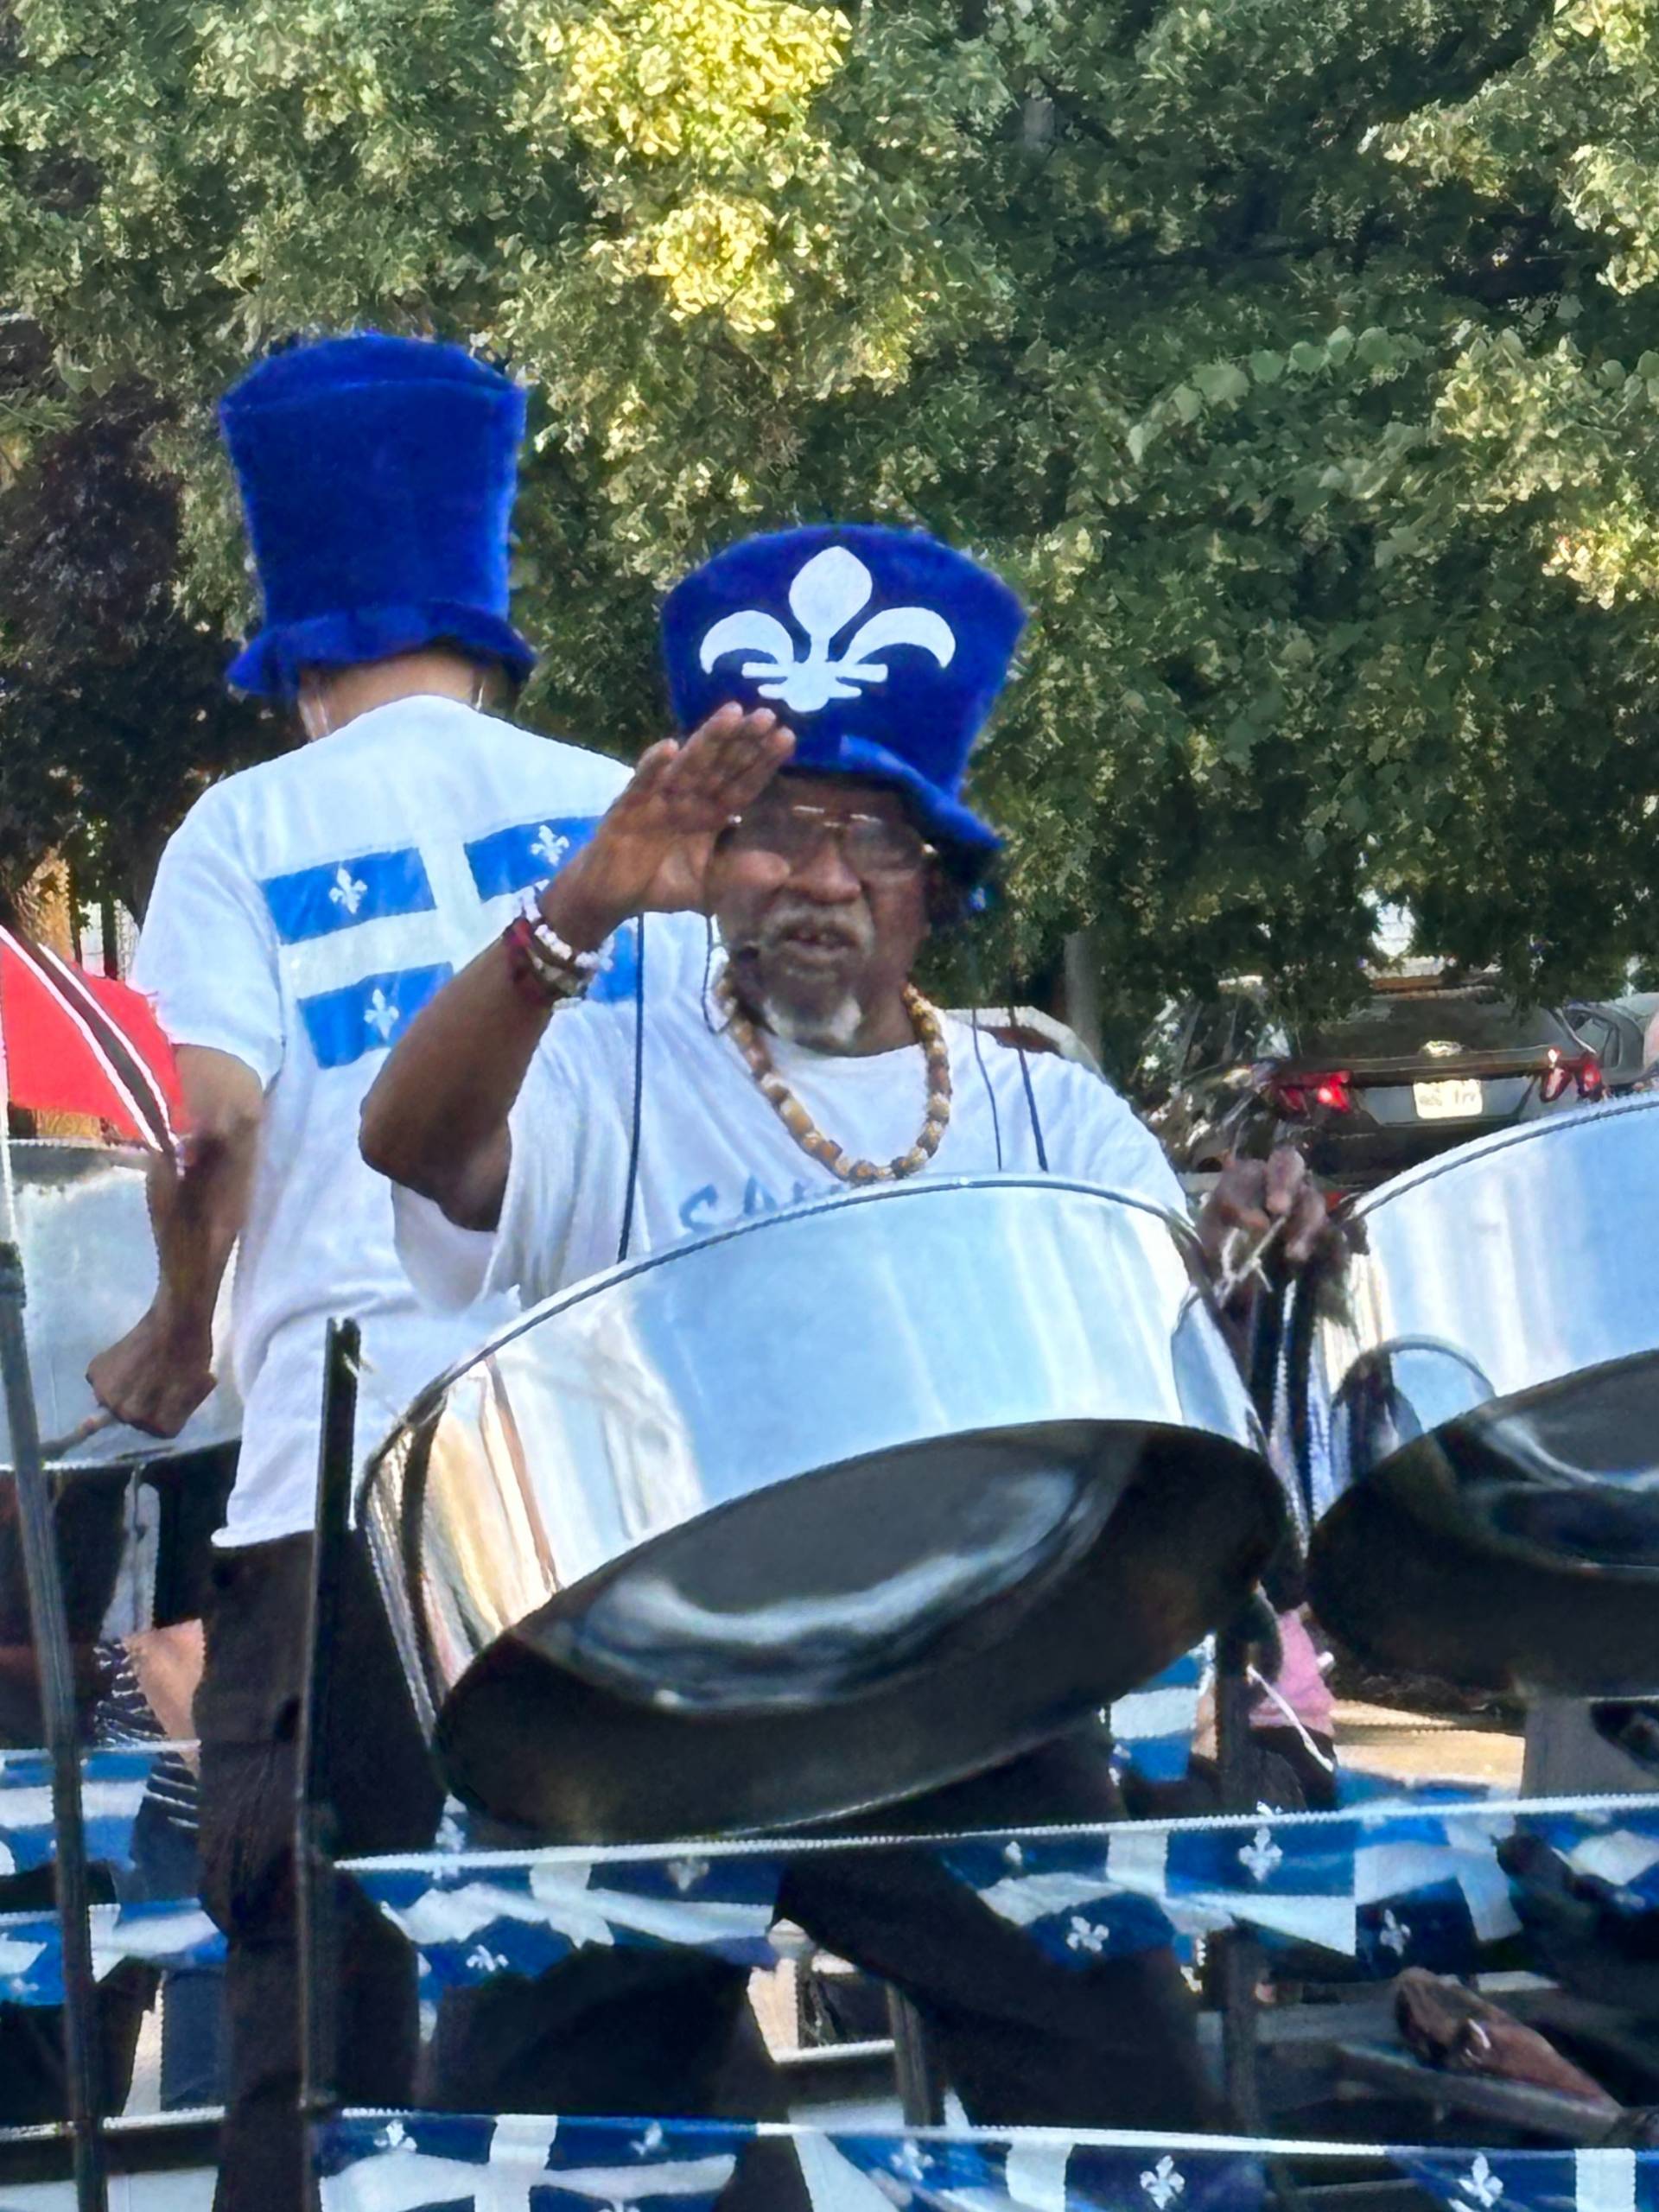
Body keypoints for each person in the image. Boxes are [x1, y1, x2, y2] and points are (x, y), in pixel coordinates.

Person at [363, 523, 1325, 2199]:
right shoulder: (604, 1068)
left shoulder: (1047, 1111)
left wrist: (1251, 1248)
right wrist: (581, 902)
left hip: (964, 1676)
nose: (820, 877)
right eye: (773, 829)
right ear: (707, 863)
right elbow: (412, 1140)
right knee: (526, 2156)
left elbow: (1163, 1376)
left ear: (938, 883)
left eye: (871, 838)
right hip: (641, 1702)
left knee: (1136, 2126)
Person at [86, 331, 673, 2212]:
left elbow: (209, 1133)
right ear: (484, 610)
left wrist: (178, 1328)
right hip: (608, 1486)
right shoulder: (618, 809)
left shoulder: (243, 830)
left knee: (324, 2003)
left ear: (293, 645)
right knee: (609, 1985)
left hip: (338, 1496)